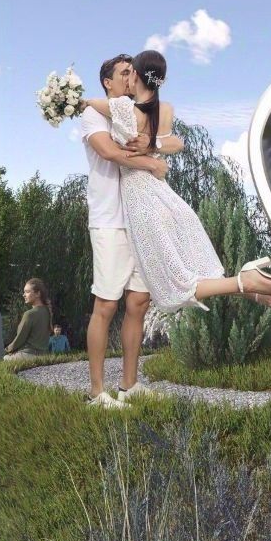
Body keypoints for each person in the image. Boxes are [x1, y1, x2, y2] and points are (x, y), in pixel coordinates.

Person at [80, 50, 271, 326]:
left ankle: (250, 281)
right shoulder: (165, 110)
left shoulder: (122, 108)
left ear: (136, 75)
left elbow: (95, 113)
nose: (126, 78)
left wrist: (79, 101)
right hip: (164, 196)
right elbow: (177, 143)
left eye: (129, 72)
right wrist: (154, 147)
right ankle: (264, 294)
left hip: (141, 202)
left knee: (173, 286)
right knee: (195, 270)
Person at [78, 54, 168, 408]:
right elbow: (108, 151)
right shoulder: (93, 113)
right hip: (110, 219)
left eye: (134, 72)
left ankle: (130, 385)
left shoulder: (136, 113)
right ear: (108, 82)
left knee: (139, 301)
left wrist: (154, 147)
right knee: (106, 303)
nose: (131, 77)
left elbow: (167, 139)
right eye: (124, 72)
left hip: (139, 219)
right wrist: (150, 163)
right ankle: (96, 392)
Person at [4, 278, 53, 360]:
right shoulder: (47, 311)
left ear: (37, 294)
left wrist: (6, 350)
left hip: (28, 355)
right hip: (43, 356)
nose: (24, 295)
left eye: (27, 292)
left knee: (4, 358)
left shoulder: (30, 314)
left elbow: (19, 339)